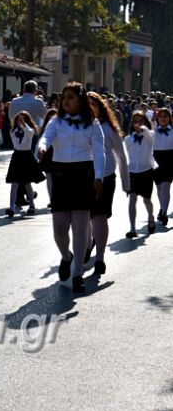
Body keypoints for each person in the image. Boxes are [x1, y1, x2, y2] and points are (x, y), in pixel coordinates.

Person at [38, 82, 105, 293]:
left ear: (81, 100)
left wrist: (99, 177)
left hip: (83, 175)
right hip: (61, 175)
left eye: (71, 97)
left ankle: (77, 274)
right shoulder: (56, 122)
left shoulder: (93, 124)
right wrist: (41, 148)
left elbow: (99, 152)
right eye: (63, 97)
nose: (66, 101)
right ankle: (66, 257)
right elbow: (45, 138)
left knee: (79, 228)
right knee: (59, 227)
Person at [87, 92, 128, 276]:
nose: (89, 107)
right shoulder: (77, 126)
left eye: (93, 104)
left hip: (105, 177)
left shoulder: (109, 128)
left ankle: (100, 258)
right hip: (81, 176)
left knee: (99, 217)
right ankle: (87, 244)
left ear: (100, 106)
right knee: (84, 218)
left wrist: (126, 182)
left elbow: (120, 155)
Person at [5, 111, 45, 217]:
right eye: (19, 120)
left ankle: (32, 205)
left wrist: (24, 124)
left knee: (27, 183)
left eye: (22, 120)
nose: (20, 122)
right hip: (17, 156)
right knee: (14, 183)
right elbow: (16, 141)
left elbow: (29, 132)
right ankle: (11, 208)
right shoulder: (13, 131)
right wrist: (19, 126)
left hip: (27, 156)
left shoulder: (29, 130)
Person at [124, 111, 157, 239]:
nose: (138, 124)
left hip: (147, 171)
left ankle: (151, 217)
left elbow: (150, 136)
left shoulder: (150, 135)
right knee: (132, 199)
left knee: (146, 200)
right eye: (135, 121)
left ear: (145, 122)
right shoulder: (128, 139)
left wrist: (143, 129)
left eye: (141, 121)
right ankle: (132, 228)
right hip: (132, 172)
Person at [153, 107, 173, 226]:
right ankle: (162, 208)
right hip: (156, 159)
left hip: (170, 159)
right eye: (160, 116)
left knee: (166, 187)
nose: (163, 118)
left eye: (165, 116)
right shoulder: (153, 132)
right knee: (159, 188)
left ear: (169, 118)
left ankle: (164, 212)